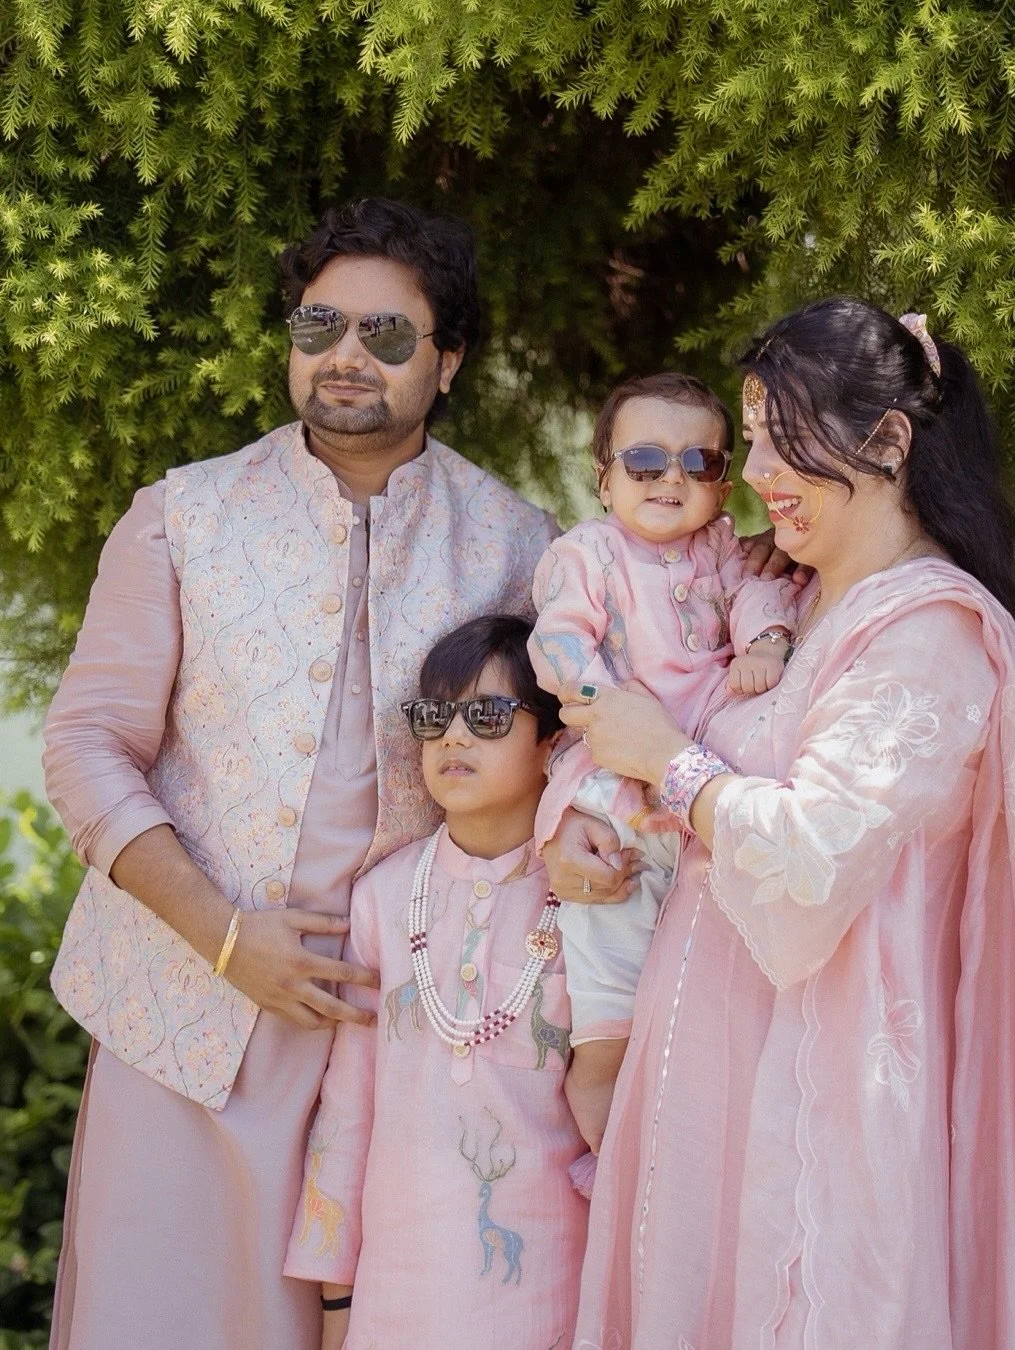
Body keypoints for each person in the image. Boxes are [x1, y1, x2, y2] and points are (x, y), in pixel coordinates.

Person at [41, 198, 560, 1350]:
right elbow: (84, 748)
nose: (345, 356)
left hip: (411, 1034)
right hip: (184, 1013)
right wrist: (227, 939)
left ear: (448, 361)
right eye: (320, 325)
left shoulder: (517, 544)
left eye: (387, 333)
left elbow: (560, 754)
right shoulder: (181, 516)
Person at [546, 300, 1015, 1347]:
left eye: (782, 440)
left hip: (816, 1111)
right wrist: (579, 812)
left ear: (888, 441)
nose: (753, 473)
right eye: (750, 439)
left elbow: (812, 856)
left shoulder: (927, 632)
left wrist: (668, 759)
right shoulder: (791, 600)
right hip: (708, 1095)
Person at [284, 615, 588, 1350]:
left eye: (487, 717)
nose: (454, 737)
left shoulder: (590, 896)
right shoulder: (383, 898)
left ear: (552, 744)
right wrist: (335, 1298)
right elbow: (347, 1109)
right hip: (397, 1288)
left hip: (555, 1281)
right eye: (434, 717)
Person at [527, 372, 798, 1154]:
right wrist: (605, 704)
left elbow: (761, 597)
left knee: (684, 1005)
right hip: (615, 798)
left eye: (697, 462)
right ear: (603, 478)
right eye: (644, 461)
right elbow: (559, 639)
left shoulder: (723, 550)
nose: (669, 478)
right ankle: (606, 1151)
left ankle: (671, 1170)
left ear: (722, 484)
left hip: (696, 791)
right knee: (610, 1004)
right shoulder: (588, 554)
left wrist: (766, 643)